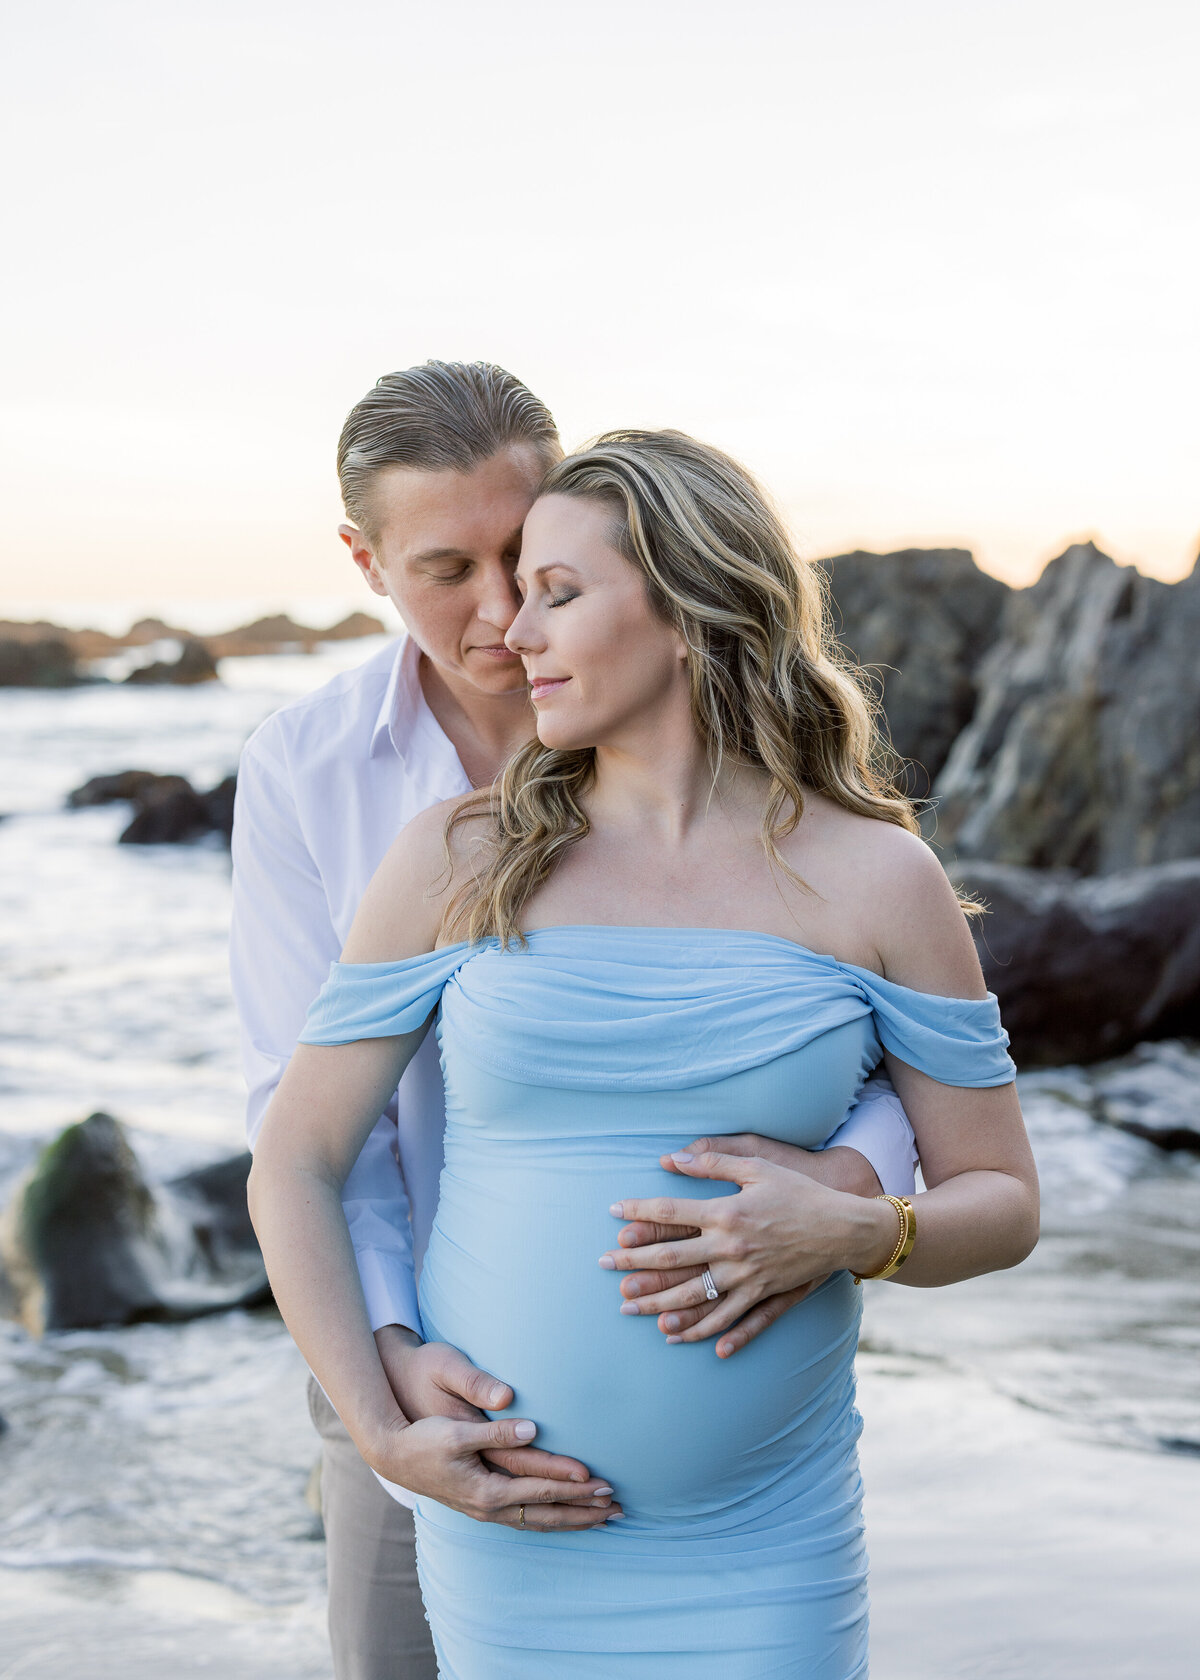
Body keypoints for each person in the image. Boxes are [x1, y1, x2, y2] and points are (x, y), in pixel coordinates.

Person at [247, 427, 1039, 1677]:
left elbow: (1001, 1199)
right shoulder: (457, 858)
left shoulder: (882, 878)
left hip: (764, 1548)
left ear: (688, 608)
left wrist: (862, 1231)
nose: (513, 632)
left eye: (557, 592)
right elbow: (293, 1155)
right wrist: (380, 1423)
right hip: (512, 1533)